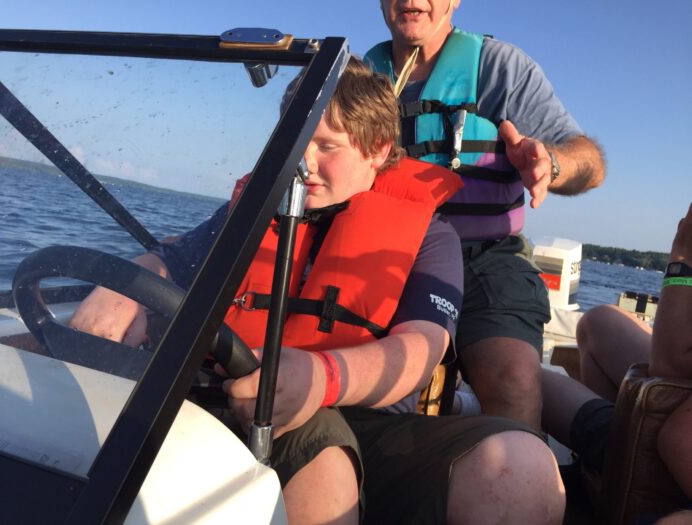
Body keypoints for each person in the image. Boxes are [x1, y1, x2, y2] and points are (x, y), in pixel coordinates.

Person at [71, 57, 565, 524]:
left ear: (376, 148)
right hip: (222, 397)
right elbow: (174, 261)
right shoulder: (251, 210)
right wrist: (130, 281)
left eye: (327, 147)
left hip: (365, 423)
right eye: (297, 142)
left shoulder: (431, 238)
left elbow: (420, 350)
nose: (303, 164)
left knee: (522, 471)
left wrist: (322, 377)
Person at [365, 0, 606, 430]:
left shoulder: (499, 68)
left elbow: (590, 163)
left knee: (512, 380)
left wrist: (551, 162)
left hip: (487, 258)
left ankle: (518, 482)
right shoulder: (362, 76)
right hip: (385, 255)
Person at [542, 203, 692, 510]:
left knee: (526, 380)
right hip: (666, 410)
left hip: (670, 440)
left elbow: (670, 366)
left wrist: (682, 259)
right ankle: (606, 457)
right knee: (600, 324)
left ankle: (611, 464)